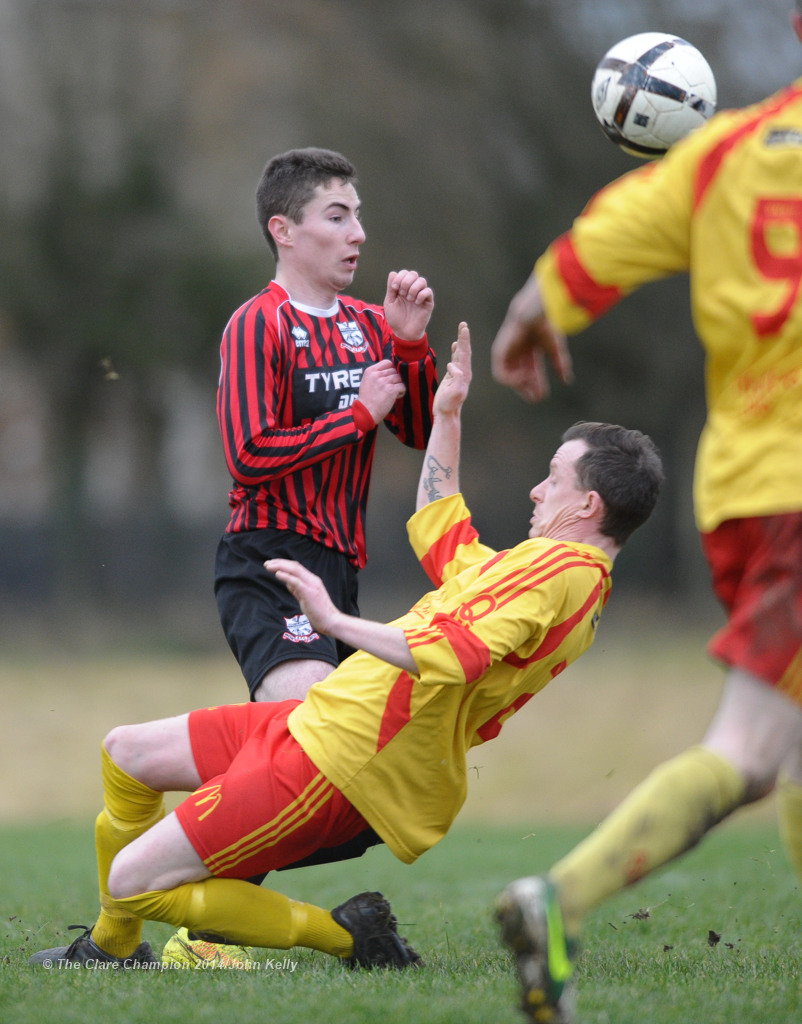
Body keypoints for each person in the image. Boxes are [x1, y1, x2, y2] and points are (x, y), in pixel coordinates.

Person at [28, 324, 663, 972]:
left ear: (588, 503)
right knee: (127, 753)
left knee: (136, 880)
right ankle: (112, 948)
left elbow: (454, 651)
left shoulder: (559, 571)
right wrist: (447, 413)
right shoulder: (555, 576)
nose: (536, 489)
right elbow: (442, 528)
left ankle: (348, 937)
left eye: (552, 479)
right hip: (327, 721)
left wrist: (332, 619)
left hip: (349, 756)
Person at [491, 9, 802, 1023]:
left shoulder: (720, 157)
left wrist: (526, 321)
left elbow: (581, 258)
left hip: (741, 492)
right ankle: (561, 899)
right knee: (753, 746)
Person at [215, 146, 438, 705]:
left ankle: (154, 762)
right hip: (270, 561)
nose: (357, 234)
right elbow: (249, 454)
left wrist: (410, 343)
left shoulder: (370, 324)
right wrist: (356, 416)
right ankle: (143, 764)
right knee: (306, 725)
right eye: (337, 217)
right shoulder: (255, 324)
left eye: (357, 216)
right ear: (283, 230)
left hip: (339, 567)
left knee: (343, 753)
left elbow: (418, 432)